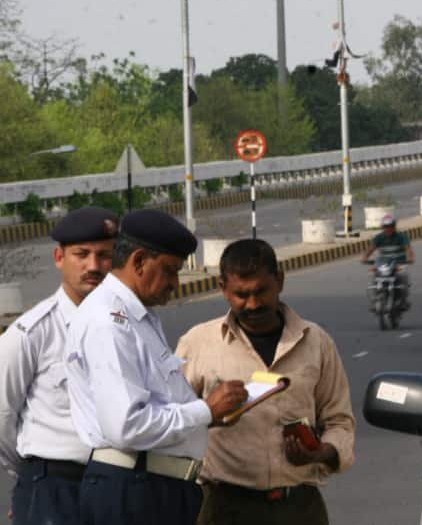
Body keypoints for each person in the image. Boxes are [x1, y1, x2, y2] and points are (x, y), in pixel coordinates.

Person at [63, 209, 249, 525]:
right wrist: (205, 411)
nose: (175, 284)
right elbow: (127, 426)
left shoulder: (138, 316)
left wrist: (208, 416)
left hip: (154, 487)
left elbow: (156, 405)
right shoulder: (110, 324)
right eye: (170, 271)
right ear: (138, 261)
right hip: (133, 489)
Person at [176, 238, 355, 525]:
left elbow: (340, 422)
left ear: (280, 281)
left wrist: (319, 452)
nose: (253, 304)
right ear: (223, 289)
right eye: (241, 295)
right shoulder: (198, 344)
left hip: (299, 507)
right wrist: (209, 412)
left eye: (262, 291)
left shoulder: (316, 343)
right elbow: (170, 422)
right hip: (223, 507)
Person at [0, 207, 118, 525]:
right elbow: (2, 418)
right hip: (54, 487)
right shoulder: (31, 333)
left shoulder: (128, 325)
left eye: (104, 255)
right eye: (81, 254)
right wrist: (33, 475)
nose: (93, 266)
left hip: (118, 485)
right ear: (58, 257)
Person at [360, 214, 414, 309]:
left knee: (403, 276)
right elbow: (370, 250)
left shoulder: (401, 237)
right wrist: (365, 258)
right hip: (384, 264)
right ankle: (376, 299)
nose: (388, 229)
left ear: (394, 227)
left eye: (390, 227)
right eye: (385, 227)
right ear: (382, 227)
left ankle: (403, 300)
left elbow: (408, 249)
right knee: (374, 277)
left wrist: (410, 258)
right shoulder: (378, 238)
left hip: (399, 263)